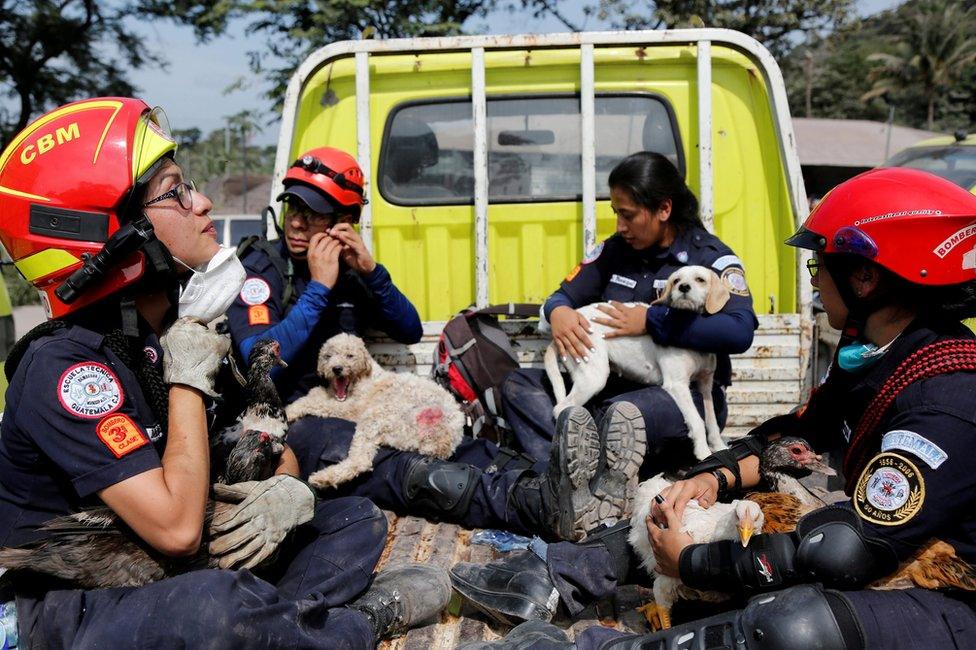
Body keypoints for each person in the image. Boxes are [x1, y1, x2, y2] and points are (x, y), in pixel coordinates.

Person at [453, 167, 976, 649]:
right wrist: (714, 479)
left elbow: (849, 549)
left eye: (820, 265)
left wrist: (693, 561)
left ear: (865, 278)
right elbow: (800, 436)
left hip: (949, 592)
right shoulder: (876, 352)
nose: (814, 280)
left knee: (793, 624)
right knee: (675, 504)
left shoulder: (944, 397)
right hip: (883, 545)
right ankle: (553, 576)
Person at [0, 98, 448, 648]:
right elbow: (177, 529)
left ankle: (278, 628)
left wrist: (285, 488)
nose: (204, 203)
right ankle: (345, 628)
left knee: (354, 520)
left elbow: (262, 444)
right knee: (215, 609)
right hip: (73, 603)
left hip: (168, 571)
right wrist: (187, 374)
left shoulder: (155, 336)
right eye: (176, 191)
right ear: (110, 234)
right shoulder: (67, 366)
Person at [499, 151, 758, 466]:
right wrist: (558, 313)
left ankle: (581, 466)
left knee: (621, 414)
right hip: (606, 385)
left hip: (680, 397)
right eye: (616, 214)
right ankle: (558, 476)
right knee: (518, 385)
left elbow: (740, 331)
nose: (620, 226)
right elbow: (562, 295)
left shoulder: (710, 257)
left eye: (629, 215)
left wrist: (652, 319)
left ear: (664, 209)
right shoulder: (614, 251)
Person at [225, 146, 422, 404]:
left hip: (346, 408)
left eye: (313, 214)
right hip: (287, 416)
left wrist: (373, 273)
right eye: (293, 208)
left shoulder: (352, 272)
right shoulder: (260, 269)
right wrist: (318, 289)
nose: (296, 222)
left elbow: (410, 331)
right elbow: (260, 366)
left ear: (344, 221)